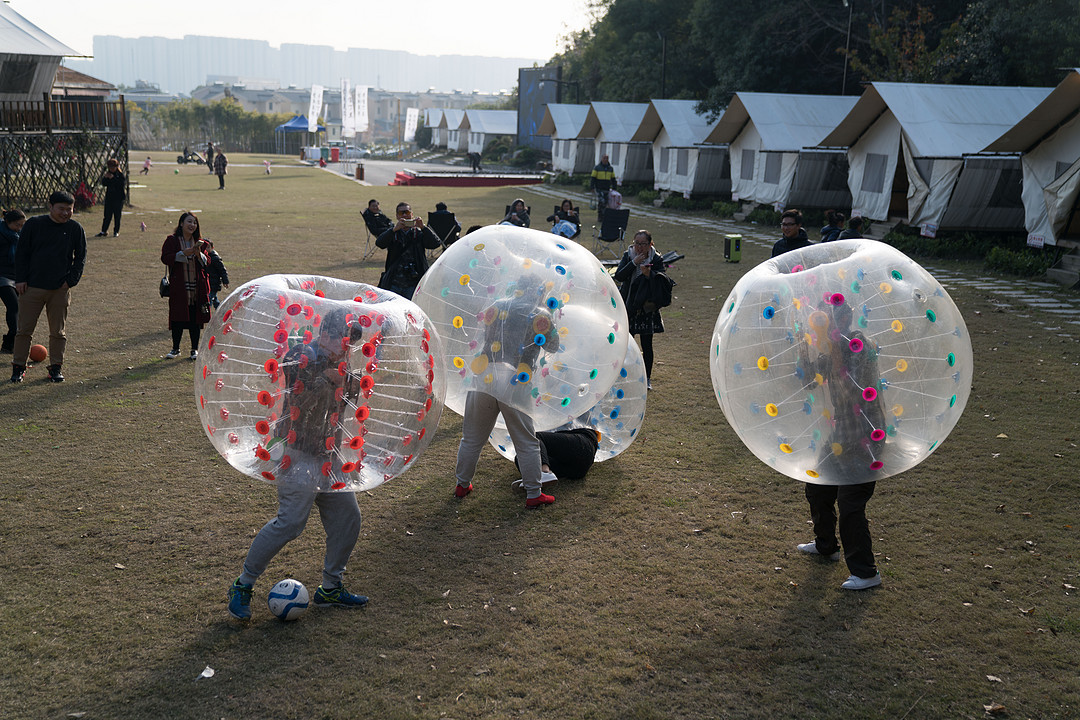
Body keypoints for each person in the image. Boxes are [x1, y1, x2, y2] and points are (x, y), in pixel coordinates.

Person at [227, 309, 369, 620]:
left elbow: (351, 399)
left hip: (328, 457)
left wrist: (348, 382)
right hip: (297, 454)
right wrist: (325, 381)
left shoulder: (341, 362)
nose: (347, 350)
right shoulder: (302, 354)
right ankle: (243, 585)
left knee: (348, 518)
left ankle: (331, 587)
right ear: (326, 336)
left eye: (351, 346)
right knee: (290, 523)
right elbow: (296, 396)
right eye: (344, 343)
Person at [795, 301, 883, 590]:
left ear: (844, 319)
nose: (819, 325)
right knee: (817, 485)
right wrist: (802, 349)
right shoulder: (831, 349)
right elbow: (809, 382)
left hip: (865, 438)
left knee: (850, 503)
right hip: (841, 435)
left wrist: (833, 351)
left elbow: (852, 390)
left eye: (827, 319)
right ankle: (826, 546)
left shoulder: (857, 342)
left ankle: (866, 573)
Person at [454, 274, 560, 508]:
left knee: (471, 437)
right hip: (516, 378)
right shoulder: (541, 314)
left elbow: (484, 334)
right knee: (525, 440)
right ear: (539, 291)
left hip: (485, 374)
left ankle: (462, 485)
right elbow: (553, 345)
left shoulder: (497, 306)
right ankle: (534, 494)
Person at [10, 191, 86, 384]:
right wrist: (20, 279)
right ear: (50, 206)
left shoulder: (75, 229)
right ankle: (18, 368)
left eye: (69, 209)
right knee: (24, 330)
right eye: (61, 208)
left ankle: (56, 367)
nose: (66, 213)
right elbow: (22, 254)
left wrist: (71, 280)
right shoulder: (34, 225)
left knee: (58, 332)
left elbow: (81, 257)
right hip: (31, 288)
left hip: (59, 289)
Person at [613, 230, 670, 390]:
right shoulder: (628, 255)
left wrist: (648, 274)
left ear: (650, 244)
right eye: (636, 243)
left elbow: (661, 281)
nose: (639, 247)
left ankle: (647, 378)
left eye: (643, 244)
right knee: (626, 344)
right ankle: (624, 375)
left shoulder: (656, 258)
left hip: (647, 308)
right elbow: (619, 276)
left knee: (647, 345)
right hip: (629, 305)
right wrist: (634, 263)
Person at [160, 211, 211, 360]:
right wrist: (183, 253)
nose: (192, 225)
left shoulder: (200, 243)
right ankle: (175, 348)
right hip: (179, 286)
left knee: (196, 318)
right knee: (177, 317)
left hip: (197, 286)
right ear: (181, 223)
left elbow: (207, 262)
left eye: (194, 223)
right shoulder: (172, 240)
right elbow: (165, 257)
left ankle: (194, 349)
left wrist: (197, 253)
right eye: (189, 222)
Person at [375, 202, 441, 299]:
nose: (405, 215)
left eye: (407, 212)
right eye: (402, 213)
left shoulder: (418, 233)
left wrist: (423, 227)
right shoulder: (393, 233)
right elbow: (379, 243)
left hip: (413, 283)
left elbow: (435, 244)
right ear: (397, 216)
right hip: (394, 282)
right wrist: (394, 229)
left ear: (412, 215)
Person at [510, 427, 600, 489]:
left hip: (583, 441)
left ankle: (544, 471)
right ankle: (535, 479)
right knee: (520, 457)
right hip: (577, 469)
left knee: (533, 437)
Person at [1, 208, 26, 353]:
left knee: (20, 308)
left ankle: (8, 343)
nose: (19, 228)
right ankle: (13, 338)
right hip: (2, 277)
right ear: (7, 222)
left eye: (22, 225)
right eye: (17, 225)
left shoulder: (20, 235)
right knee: (14, 306)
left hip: (17, 276)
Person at [95, 158, 125, 237]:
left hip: (118, 198)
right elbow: (104, 183)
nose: (111, 169)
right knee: (107, 215)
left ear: (116, 166)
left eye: (112, 167)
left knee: (117, 215)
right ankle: (104, 231)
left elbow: (120, 185)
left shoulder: (120, 175)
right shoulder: (108, 173)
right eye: (110, 167)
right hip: (110, 198)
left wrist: (113, 178)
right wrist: (105, 178)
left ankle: (116, 231)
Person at [591, 153, 616, 221]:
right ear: (601, 159)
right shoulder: (597, 168)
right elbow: (593, 178)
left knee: (606, 202)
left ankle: (604, 216)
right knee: (602, 201)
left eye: (607, 158)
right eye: (604, 158)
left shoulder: (610, 168)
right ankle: (600, 216)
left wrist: (614, 188)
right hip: (599, 188)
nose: (605, 160)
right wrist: (592, 187)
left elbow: (613, 179)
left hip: (607, 188)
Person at [206, 240, 230, 309]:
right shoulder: (203, 257)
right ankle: (220, 310)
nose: (206, 249)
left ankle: (208, 313)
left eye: (208, 247)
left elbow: (222, 270)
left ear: (212, 248)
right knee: (214, 299)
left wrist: (225, 281)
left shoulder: (215, 258)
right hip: (208, 283)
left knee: (209, 298)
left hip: (214, 284)